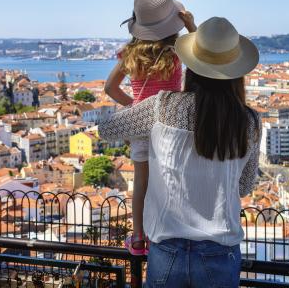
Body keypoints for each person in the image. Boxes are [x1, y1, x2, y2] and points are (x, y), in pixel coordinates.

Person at [99, 17, 261, 287]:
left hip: (167, 250)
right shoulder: (249, 122)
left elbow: (107, 129)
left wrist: (138, 108)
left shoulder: (164, 106)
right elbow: (244, 186)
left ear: (192, 68)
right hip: (220, 252)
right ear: (236, 72)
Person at [104, 0, 196, 255]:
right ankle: (171, 231)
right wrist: (191, 26)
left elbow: (110, 88)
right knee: (172, 179)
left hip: (141, 123)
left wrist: (136, 105)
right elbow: (204, 59)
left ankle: (138, 238)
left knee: (141, 182)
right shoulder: (177, 50)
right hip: (171, 121)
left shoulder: (129, 54)